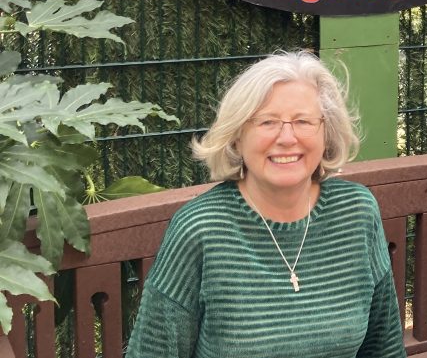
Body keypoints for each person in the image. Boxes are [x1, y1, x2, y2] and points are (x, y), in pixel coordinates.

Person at [127, 51, 406, 358]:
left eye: (303, 121)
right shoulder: (201, 229)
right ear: (236, 138)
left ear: (326, 133)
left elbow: (384, 348)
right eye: (267, 122)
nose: (287, 137)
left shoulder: (357, 212)